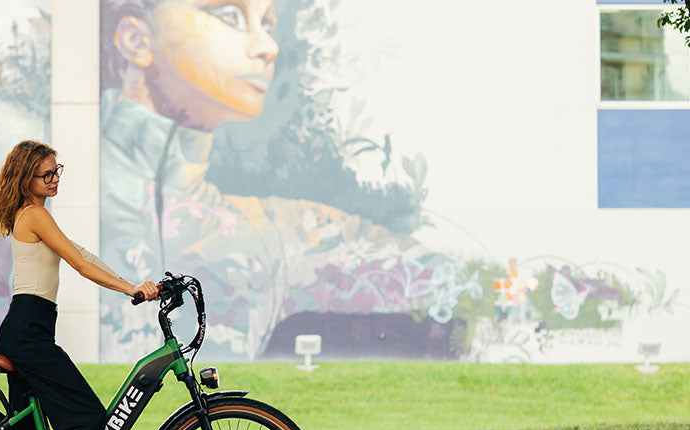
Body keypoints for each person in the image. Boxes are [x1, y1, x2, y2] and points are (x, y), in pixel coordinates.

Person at [98, 0, 481, 362]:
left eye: (267, 23)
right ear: (136, 39)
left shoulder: (272, 233)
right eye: (230, 14)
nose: (268, 46)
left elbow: (450, 279)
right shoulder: (64, 194)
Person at [0, 140, 159, 430]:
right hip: (28, 331)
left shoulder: (37, 215)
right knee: (86, 417)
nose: (55, 179)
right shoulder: (35, 214)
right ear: (26, 178)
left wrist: (131, 282)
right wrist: (128, 289)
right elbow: (79, 266)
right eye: (47, 174)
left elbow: (82, 254)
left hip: (30, 326)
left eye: (57, 170)